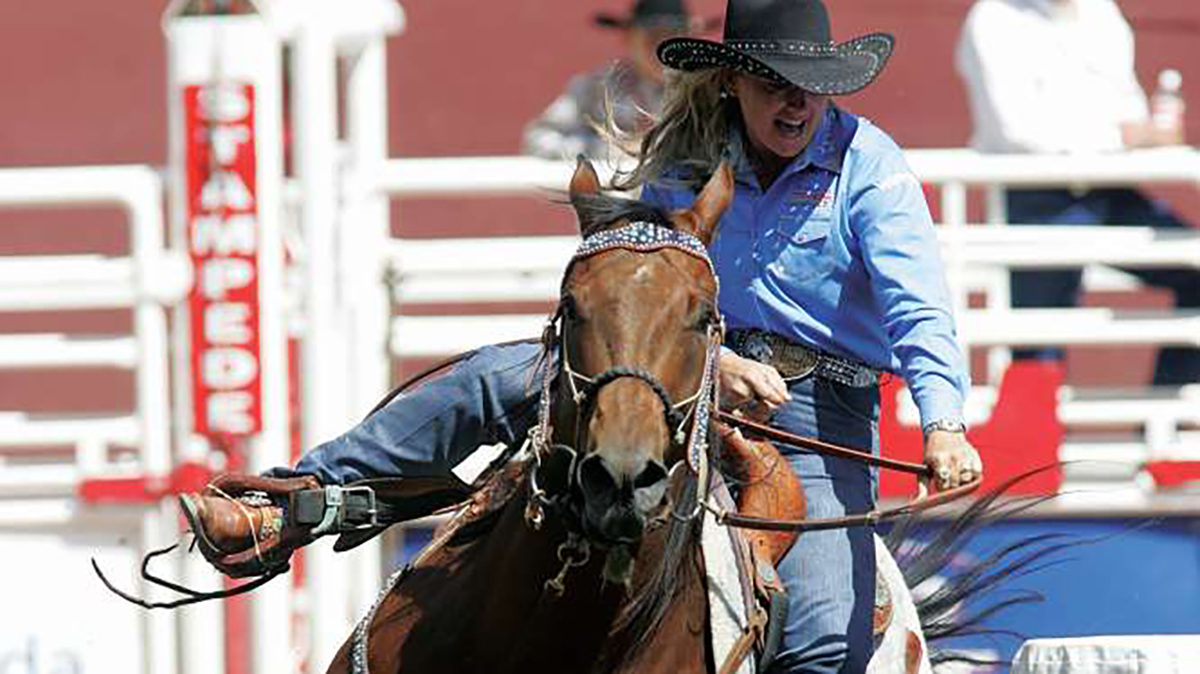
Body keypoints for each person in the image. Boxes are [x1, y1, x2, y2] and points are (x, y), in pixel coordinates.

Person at [181, 1, 983, 672]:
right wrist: (715, 359)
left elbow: (919, 309)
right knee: (491, 379)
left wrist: (943, 423)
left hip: (816, 417)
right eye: (774, 83)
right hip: (681, 367)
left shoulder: (871, 170)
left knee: (817, 637)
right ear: (733, 81)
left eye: (811, 85)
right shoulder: (691, 160)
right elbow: (655, 273)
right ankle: (289, 505)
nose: (796, 103)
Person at [956, 0, 1200, 385]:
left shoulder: (1099, 10)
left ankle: (1167, 425)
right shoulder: (993, 18)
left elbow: (1129, 106)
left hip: (1108, 192)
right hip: (1037, 196)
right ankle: (1040, 437)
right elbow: (1015, 130)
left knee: (1194, 268)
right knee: (1039, 342)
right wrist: (1122, 135)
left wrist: (1144, 134)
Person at [520, 0, 707, 161]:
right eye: (652, 38)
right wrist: (609, 151)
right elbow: (538, 139)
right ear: (628, 38)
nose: (661, 49)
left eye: (673, 38)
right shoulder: (597, 88)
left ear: (690, 39)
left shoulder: (707, 91)